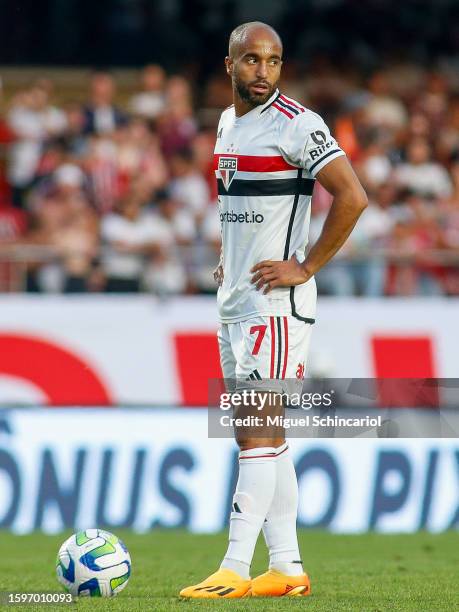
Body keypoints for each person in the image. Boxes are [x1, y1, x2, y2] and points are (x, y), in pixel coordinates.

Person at [179, 22, 367, 599]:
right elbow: (239, 210)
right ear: (229, 64)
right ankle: (286, 568)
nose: (264, 71)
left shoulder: (298, 124)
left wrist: (305, 267)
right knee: (260, 433)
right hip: (235, 301)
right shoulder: (228, 124)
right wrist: (226, 260)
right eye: (253, 60)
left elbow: (353, 197)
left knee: (257, 433)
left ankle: (234, 567)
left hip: (275, 306)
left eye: (275, 60)